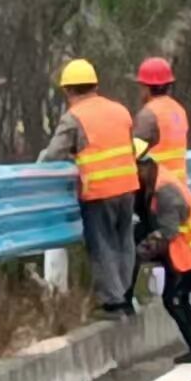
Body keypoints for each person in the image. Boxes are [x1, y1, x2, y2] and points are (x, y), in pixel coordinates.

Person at [38, 58, 141, 317]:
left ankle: (113, 303)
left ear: (69, 90)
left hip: (99, 191)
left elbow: (52, 156)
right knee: (124, 242)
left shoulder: (74, 118)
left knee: (102, 245)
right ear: (95, 85)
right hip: (128, 186)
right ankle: (126, 296)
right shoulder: (120, 111)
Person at [132, 139, 191, 364]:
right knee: (175, 298)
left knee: (176, 299)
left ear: (141, 166)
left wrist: (140, 254)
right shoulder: (153, 181)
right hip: (184, 246)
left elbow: (166, 232)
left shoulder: (165, 191)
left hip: (190, 249)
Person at [131, 57, 191, 184]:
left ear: (146, 88)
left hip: (159, 186)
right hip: (180, 184)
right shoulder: (179, 110)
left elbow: (133, 154)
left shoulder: (148, 114)